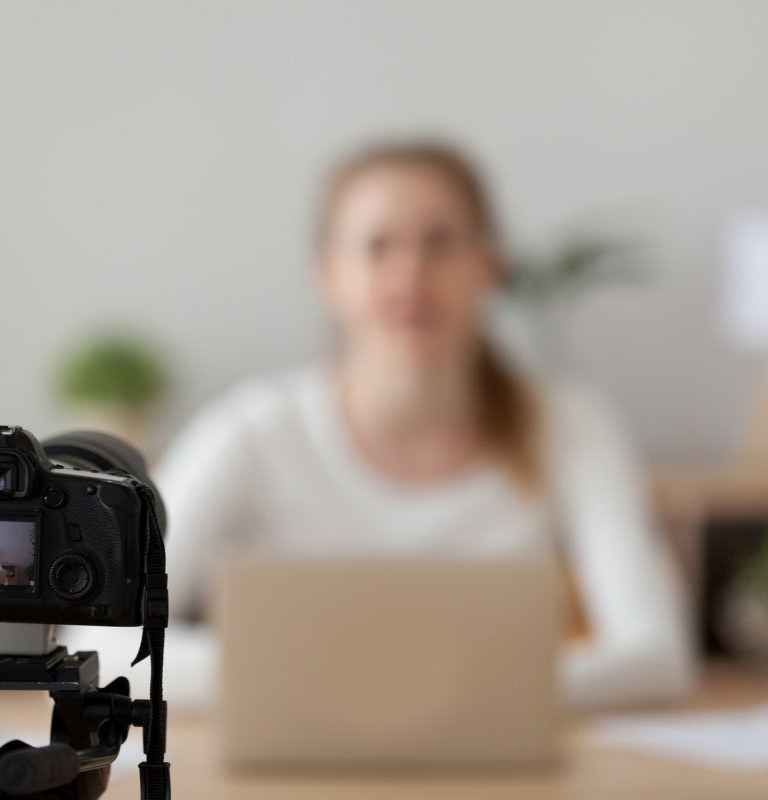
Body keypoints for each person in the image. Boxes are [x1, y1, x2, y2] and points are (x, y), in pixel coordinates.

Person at [157, 141, 695, 708]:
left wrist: (407, 691)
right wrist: (378, 686)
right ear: (328, 276)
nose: (410, 273)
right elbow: (108, 646)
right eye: (377, 247)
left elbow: (656, 655)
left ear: (490, 265)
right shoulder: (249, 431)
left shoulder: (570, 426)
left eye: (439, 243)